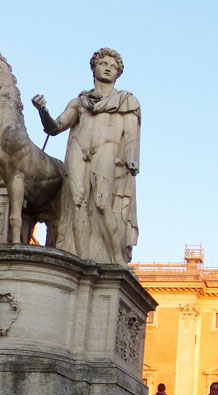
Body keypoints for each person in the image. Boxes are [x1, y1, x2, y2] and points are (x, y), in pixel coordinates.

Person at [32, 48, 141, 265]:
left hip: (106, 149)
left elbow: (131, 136)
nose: (108, 68)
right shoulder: (80, 102)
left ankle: (117, 257)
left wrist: (131, 158)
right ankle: (80, 259)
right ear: (94, 67)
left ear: (118, 72)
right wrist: (42, 110)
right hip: (78, 149)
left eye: (113, 66)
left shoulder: (126, 101)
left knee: (102, 203)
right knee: (77, 203)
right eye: (104, 64)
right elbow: (55, 128)